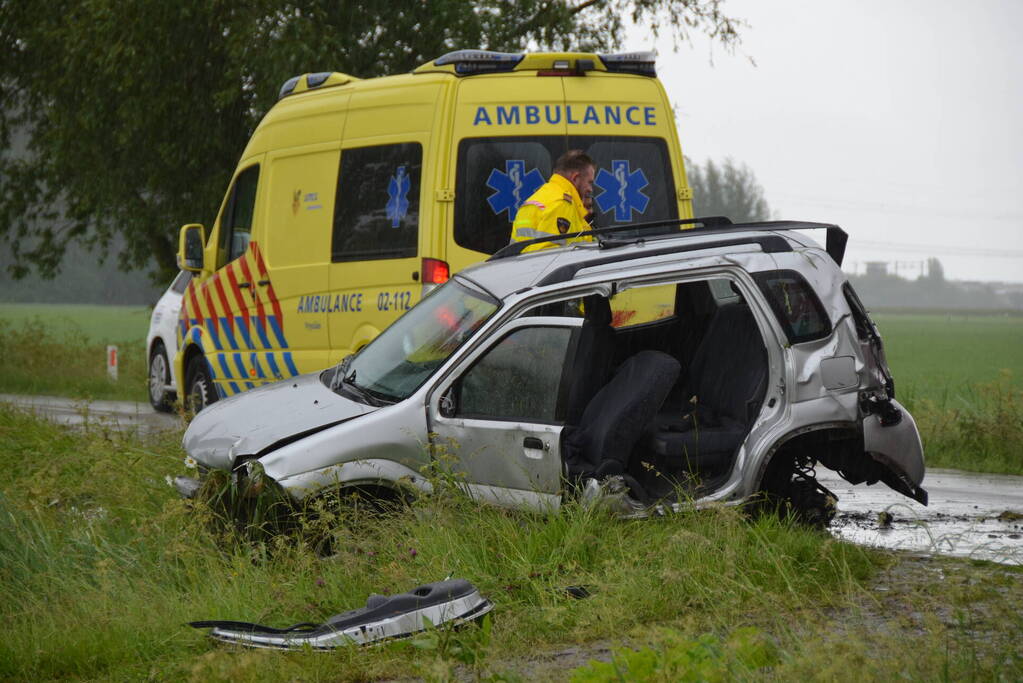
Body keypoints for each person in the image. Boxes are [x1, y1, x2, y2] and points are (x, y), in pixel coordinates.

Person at [511, 150, 596, 253]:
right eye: (589, 182)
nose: (590, 189)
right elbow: (549, 255)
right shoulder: (562, 203)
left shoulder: (536, 199)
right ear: (575, 178)